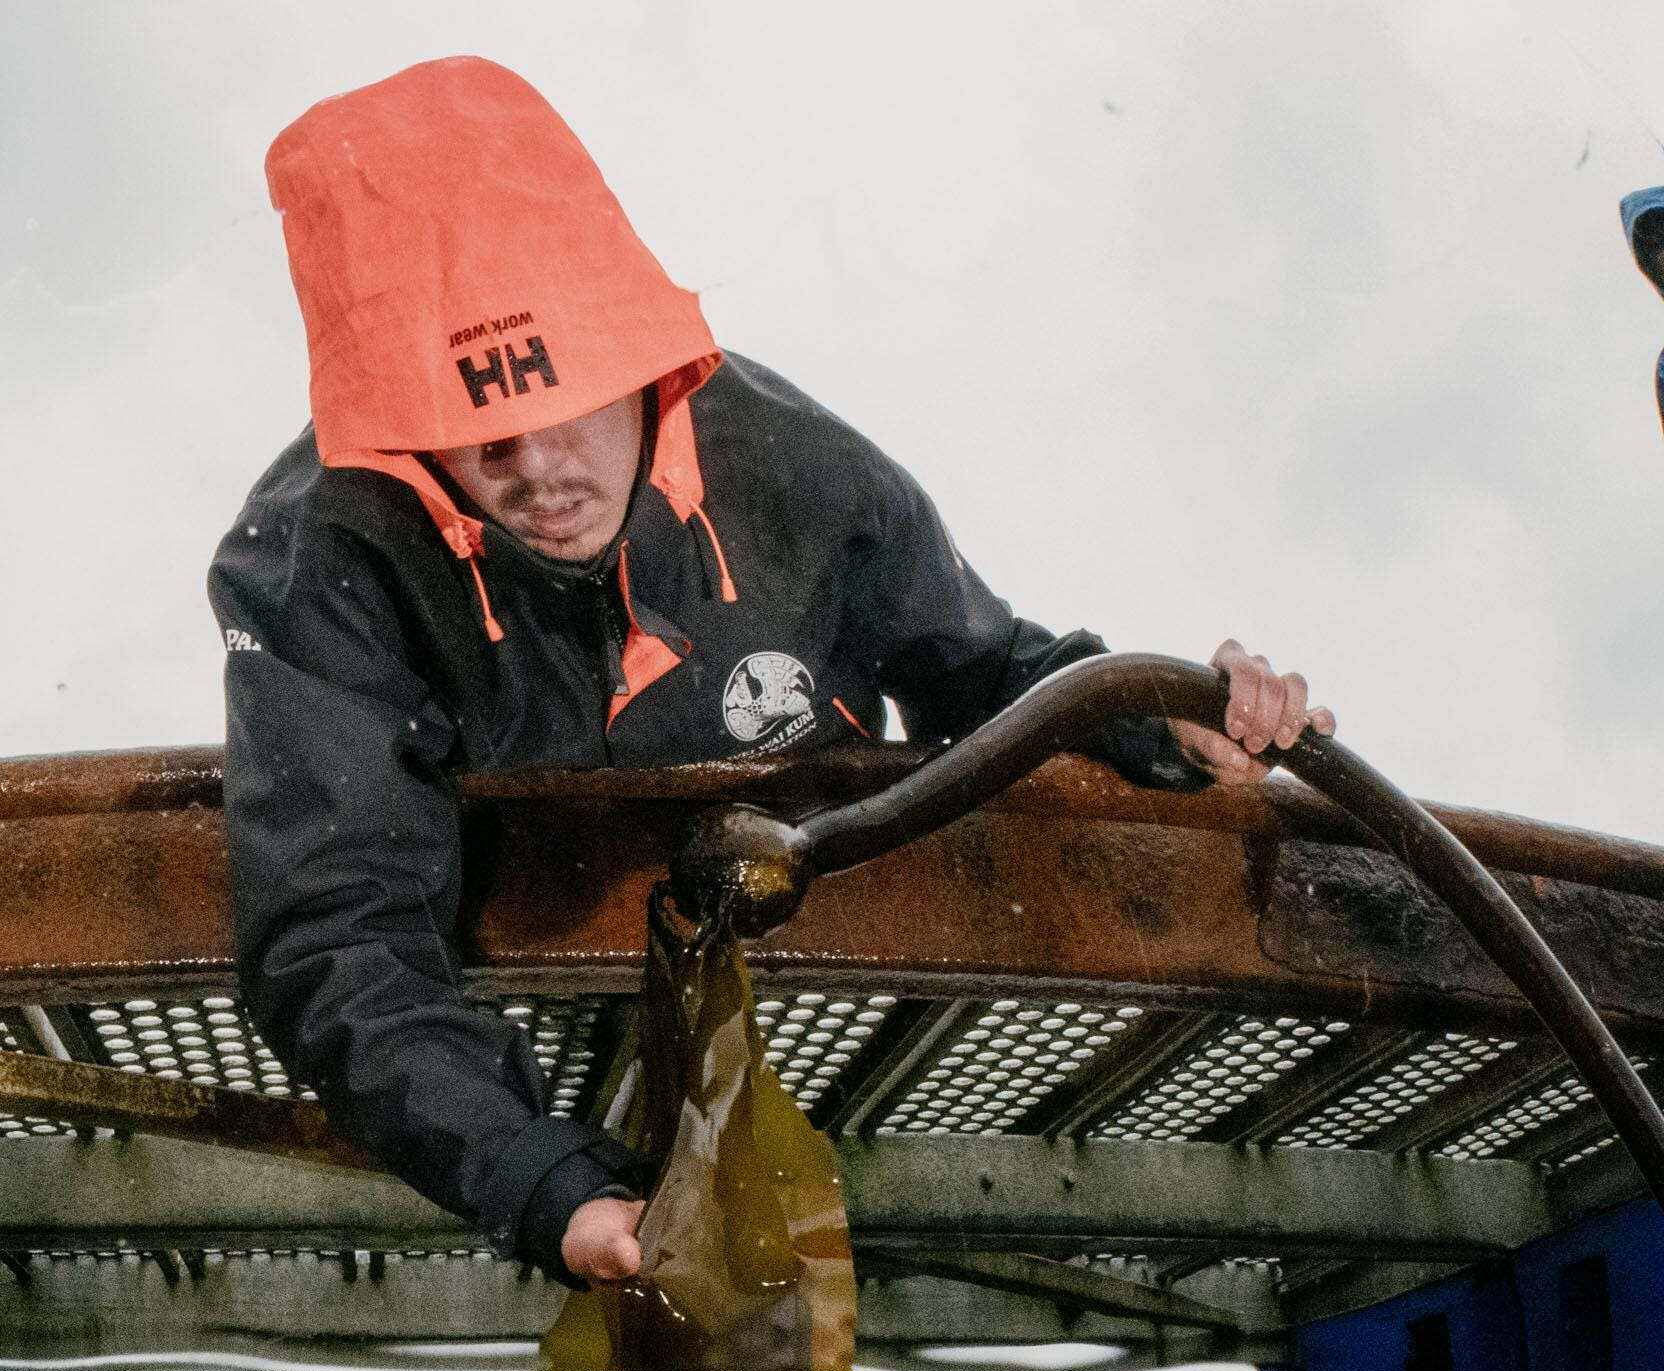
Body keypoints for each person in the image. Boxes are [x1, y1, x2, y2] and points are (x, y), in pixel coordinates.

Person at [213, 58, 1328, 1286]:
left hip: (813, 984)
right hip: (501, 1024)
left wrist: (1159, 726)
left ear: (636, 357)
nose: (535, 470)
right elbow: (336, 921)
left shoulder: (812, 474)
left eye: (569, 403)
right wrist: (535, 1182)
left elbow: (989, 676)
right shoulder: (313, 551)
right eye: (475, 436)